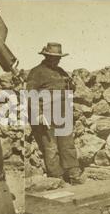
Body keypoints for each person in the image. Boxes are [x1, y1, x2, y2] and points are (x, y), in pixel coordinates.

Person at [27, 42, 84, 184]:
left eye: (58, 57)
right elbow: (30, 94)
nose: (57, 60)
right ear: (46, 56)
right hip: (47, 115)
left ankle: (74, 176)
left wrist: (73, 84)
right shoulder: (36, 72)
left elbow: (69, 88)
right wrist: (39, 114)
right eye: (54, 57)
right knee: (51, 148)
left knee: (67, 146)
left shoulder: (61, 71)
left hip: (63, 114)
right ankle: (56, 180)